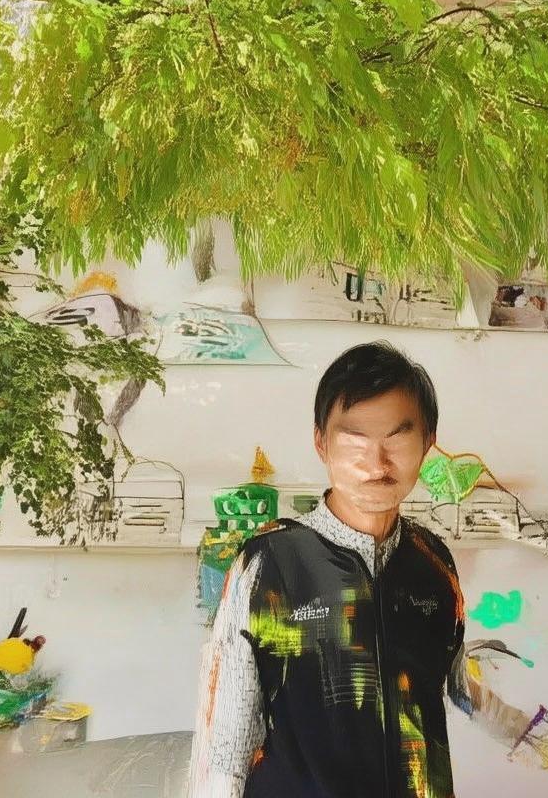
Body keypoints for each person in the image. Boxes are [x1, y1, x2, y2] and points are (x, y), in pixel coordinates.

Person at [189, 340, 466, 798]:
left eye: (397, 437)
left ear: (427, 443)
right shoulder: (269, 563)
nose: (377, 463)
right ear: (321, 443)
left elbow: (451, 691)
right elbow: (223, 749)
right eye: (355, 439)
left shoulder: (433, 564)